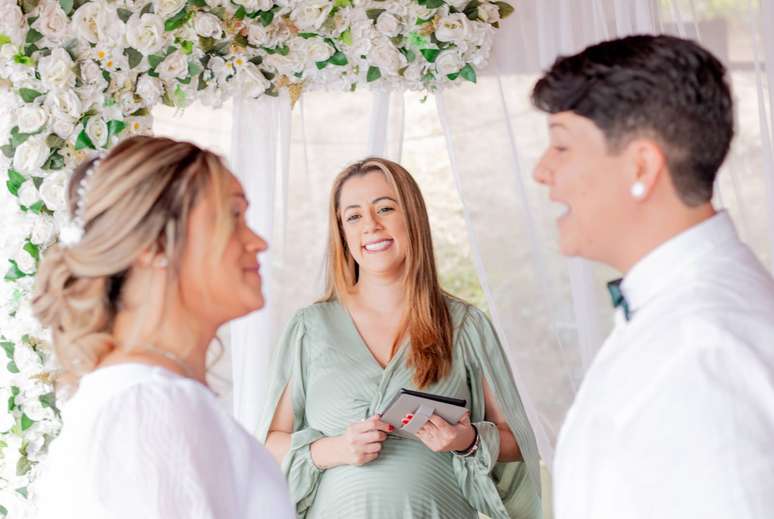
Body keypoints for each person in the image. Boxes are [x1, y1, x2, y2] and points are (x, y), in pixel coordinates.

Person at [531, 34, 774, 519]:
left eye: (560, 146)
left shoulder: (702, 355)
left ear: (642, 165)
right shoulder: (678, 317)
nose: (542, 171)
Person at [258, 157, 542, 518]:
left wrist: (465, 439)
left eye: (385, 208)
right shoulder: (310, 328)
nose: (371, 226)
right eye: (354, 216)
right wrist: (337, 449)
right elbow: (268, 444)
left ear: (413, 217)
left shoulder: (464, 325)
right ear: (342, 233)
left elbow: (518, 439)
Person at [31, 136, 294, 519]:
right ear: (154, 243)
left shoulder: (149, 400)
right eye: (233, 215)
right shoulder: (146, 410)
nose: (258, 241)